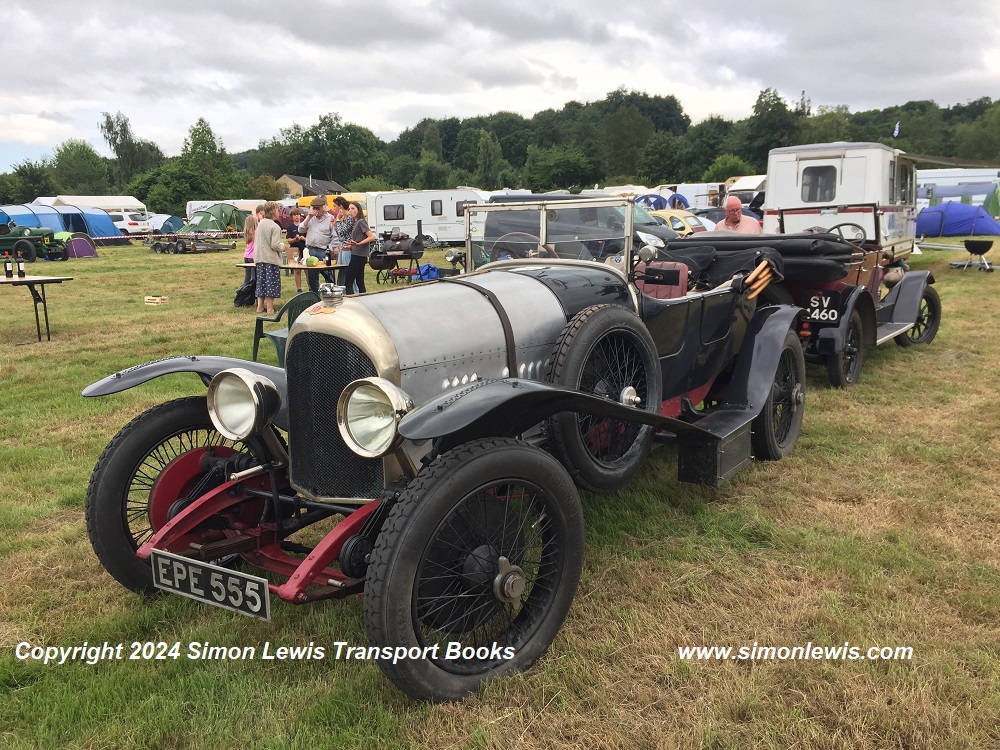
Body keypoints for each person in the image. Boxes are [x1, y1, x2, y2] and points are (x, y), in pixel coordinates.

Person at [297, 195, 335, 293]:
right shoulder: (311, 218)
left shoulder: (330, 218)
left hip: (323, 250)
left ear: (324, 207)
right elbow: (300, 229)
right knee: (312, 277)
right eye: (314, 208)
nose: (316, 210)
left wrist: (330, 249)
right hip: (310, 250)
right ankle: (315, 296)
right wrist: (309, 217)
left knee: (328, 275)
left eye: (318, 208)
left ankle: (331, 293)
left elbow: (334, 236)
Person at [253, 202, 286, 315]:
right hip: (270, 259)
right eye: (277, 210)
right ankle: (270, 308)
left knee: (261, 283)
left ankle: (260, 307)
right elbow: (275, 245)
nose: (278, 212)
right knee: (271, 284)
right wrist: (283, 247)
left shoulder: (260, 224)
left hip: (259, 258)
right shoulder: (275, 227)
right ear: (273, 211)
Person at [342, 200, 375, 295]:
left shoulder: (361, 222)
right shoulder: (355, 223)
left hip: (359, 256)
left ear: (358, 209)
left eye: (353, 208)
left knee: (348, 282)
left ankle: (352, 300)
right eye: (349, 209)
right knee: (359, 282)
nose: (351, 211)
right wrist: (349, 246)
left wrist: (358, 244)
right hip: (357, 254)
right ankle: (363, 299)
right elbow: (357, 240)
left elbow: (371, 237)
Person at [332, 195, 356, 290]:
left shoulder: (349, 218)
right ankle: (343, 290)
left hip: (347, 246)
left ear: (340, 206)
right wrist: (335, 224)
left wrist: (338, 220)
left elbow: (343, 231)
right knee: (342, 270)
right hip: (342, 245)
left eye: (335, 206)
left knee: (346, 269)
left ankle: (352, 290)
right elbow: (339, 233)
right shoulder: (345, 218)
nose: (334, 208)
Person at [285, 207, 307, 293]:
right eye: (294, 215)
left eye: (298, 214)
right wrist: (295, 239)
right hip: (294, 250)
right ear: (292, 217)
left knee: (307, 269)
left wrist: (303, 238)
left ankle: (310, 287)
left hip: (304, 249)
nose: (296, 216)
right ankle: (299, 289)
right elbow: (289, 240)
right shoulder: (290, 228)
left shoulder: (304, 226)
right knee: (297, 270)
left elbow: (309, 238)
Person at [242, 213, 258, 287]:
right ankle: (253, 290)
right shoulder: (256, 232)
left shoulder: (247, 233)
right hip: (253, 256)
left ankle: (245, 289)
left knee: (247, 276)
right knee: (254, 277)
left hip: (246, 256)